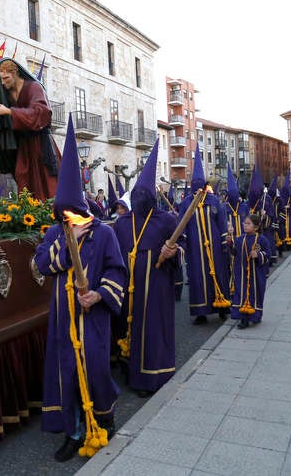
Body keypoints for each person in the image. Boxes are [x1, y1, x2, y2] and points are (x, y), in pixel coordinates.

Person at [34, 120, 127, 462]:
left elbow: (118, 271)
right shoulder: (54, 235)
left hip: (93, 317)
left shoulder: (104, 235)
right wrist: (66, 242)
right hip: (63, 319)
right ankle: (74, 432)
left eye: (72, 214)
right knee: (67, 372)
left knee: (96, 368)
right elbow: (43, 265)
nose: (66, 219)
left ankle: (104, 416)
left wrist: (99, 294)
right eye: (63, 215)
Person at [113, 139, 180, 398]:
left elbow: (179, 249)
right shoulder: (122, 223)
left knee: (153, 330)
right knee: (131, 329)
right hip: (130, 289)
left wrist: (172, 251)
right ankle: (133, 374)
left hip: (157, 287)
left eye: (145, 195)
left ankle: (154, 376)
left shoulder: (165, 220)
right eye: (137, 195)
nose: (141, 199)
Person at [0, 58, 60, 200]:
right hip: (23, 145)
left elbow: (42, 112)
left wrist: (11, 112)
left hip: (40, 143)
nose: (3, 83)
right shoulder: (4, 92)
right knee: (23, 176)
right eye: (1, 79)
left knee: (46, 181)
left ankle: (53, 214)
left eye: (6, 78)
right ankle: (31, 215)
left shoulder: (34, 87)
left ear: (15, 73)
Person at [180, 143, 231, 325]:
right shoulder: (186, 204)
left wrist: (224, 243)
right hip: (195, 248)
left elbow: (222, 223)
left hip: (215, 245)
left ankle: (222, 307)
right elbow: (182, 226)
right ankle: (200, 311)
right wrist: (184, 245)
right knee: (197, 278)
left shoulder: (214, 201)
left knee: (218, 274)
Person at [230, 214, 271, 329]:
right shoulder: (239, 239)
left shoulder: (262, 240)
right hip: (242, 274)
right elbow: (234, 252)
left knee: (255, 294)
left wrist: (258, 255)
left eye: (248, 224)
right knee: (241, 294)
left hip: (256, 274)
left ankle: (255, 315)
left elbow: (268, 255)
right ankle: (243, 318)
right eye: (244, 223)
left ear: (256, 227)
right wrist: (229, 241)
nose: (245, 225)